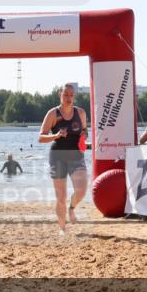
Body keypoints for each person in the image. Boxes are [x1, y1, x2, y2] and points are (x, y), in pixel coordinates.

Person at [39, 83, 88, 234]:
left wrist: (83, 138)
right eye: (65, 95)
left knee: (81, 190)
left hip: (76, 155)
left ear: (74, 96)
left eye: (71, 95)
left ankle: (71, 208)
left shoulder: (80, 113)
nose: (68, 98)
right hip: (57, 156)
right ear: (60, 95)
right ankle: (62, 228)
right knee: (61, 197)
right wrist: (56, 135)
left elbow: (85, 130)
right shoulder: (53, 114)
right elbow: (41, 137)